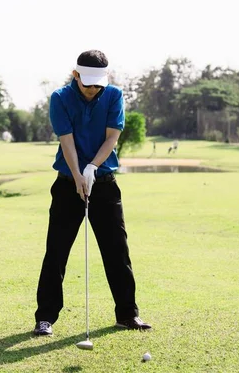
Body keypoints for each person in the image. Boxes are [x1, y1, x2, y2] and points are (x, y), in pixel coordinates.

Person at [33, 50, 151, 336]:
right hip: (66, 183)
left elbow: (112, 137)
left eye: (98, 83)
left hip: (105, 182)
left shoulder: (114, 96)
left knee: (117, 251)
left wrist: (93, 168)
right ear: (75, 75)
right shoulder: (60, 98)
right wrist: (77, 175)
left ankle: (127, 314)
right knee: (56, 252)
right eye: (88, 83)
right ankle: (45, 318)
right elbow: (67, 141)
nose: (93, 89)